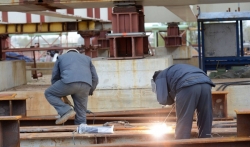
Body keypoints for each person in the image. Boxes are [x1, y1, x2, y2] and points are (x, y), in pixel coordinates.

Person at [151, 64, 215, 139]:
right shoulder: (174, 71)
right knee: (205, 114)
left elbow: (163, 100)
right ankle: (206, 139)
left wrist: (175, 100)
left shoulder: (159, 76)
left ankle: (182, 142)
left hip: (187, 85)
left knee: (184, 118)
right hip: (206, 84)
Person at [44, 49, 98, 125]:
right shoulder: (87, 58)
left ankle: (65, 110)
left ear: (67, 53)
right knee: (81, 114)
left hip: (68, 82)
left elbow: (55, 76)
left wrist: (60, 92)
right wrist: (90, 90)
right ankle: (81, 131)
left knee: (49, 93)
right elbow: (95, 78)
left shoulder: (61, 57)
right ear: (78, 53)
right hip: (86, 85)